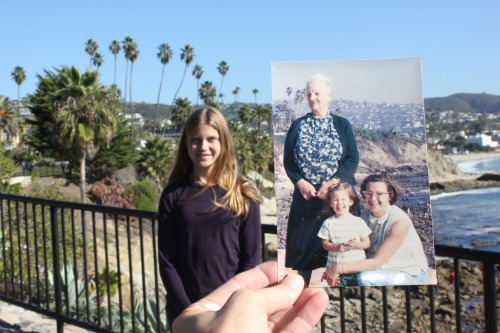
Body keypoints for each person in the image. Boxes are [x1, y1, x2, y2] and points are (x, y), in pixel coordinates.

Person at [158, 107, 262, 327]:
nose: (203, 147)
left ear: (223, 142)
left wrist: (228, 305)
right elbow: (167, 261)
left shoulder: (243, 192)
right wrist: (189, 310)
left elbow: (251, 259)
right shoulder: (173, 195)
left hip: (230, 309)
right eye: (196, 140)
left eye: (211, 139)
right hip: (184, 310)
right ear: (186, 144)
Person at [283, 73, 359, 285]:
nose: (312, 97)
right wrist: (299, 181)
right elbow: (288, 161)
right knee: (306, 259)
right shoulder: (298, 125)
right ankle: (305, 296)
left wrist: (332, 182)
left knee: (343, 253)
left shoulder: (342, 124)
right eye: (309, 94)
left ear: (329, 95)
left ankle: (346, 295)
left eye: (317, 93)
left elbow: (353, 159)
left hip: (337, 198)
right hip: (307, 199)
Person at [322, 173, 429, 287]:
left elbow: (377, 262)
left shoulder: (399, 222)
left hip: (409, 273)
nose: (373, 199)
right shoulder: (364, 218)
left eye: (379, 194)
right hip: (383, 269)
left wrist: (339, 268)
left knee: (365, 279)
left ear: (390, 196)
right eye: (368, 193)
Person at [172, 260, 329, 333]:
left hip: (230, 296)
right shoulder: (173, 195)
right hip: (205, 304)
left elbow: (250, 254)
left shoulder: (244, 196)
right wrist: (183, 306)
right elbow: (167, 260)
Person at [317, 182, 371, 287]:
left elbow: (367, 243)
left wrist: (357, 244)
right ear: (331, 203)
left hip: (357, 268)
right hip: (336, 271)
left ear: (351, 201)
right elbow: (325, 244)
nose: (339, 203)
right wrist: (336, 246)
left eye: (343, 199)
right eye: (336, 200)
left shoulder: (358, 221)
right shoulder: (328, 223)